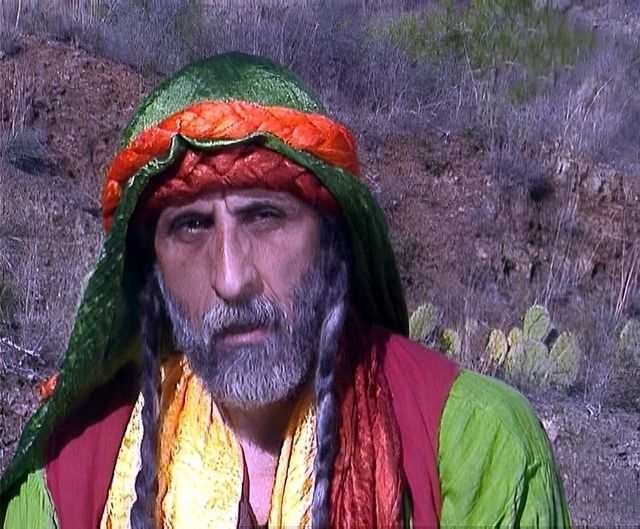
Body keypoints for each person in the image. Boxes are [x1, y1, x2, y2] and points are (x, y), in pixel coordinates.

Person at [0, 52, 571, 528]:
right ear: (153, 267)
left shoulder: (478, 448)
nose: (231, 279)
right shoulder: (71, 470)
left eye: (264, 217)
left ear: (330, 239)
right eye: (191, 226)